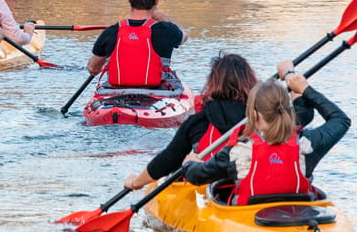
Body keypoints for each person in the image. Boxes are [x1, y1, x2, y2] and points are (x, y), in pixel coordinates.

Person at [122, 53, 315, 193]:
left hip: (210, 193)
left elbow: (166, 161)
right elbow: (303, 112)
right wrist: (290, 74)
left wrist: (136, 183)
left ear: (212, 83)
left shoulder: (198, 122)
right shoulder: (267, 115)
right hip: (258, 193)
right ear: (251, 82)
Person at [178, 61, 351, 205]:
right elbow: (341, 120)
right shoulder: (307, 144)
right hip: (298, 215)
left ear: (252, 114)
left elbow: (198, 176)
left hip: (249, 219)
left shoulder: (238, 151)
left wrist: (190, 165)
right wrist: (305, 89)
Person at [87, 0, 187, 89]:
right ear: (156, 1)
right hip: (157, 93)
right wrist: (161, 16)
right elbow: (184, 36)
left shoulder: (111, 32)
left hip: (116, 96)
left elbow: (93, 69)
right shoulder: (166, 30)